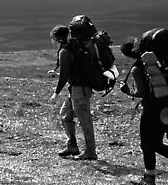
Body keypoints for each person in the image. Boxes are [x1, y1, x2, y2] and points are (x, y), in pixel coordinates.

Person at [119, 37, 168, 185]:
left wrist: (127, 91)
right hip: (164, 108)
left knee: (147, 144)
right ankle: (156, 175)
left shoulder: (137, 68)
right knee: (154, 143)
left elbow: (142, 93)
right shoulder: (156, 63)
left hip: (151, 110)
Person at [49, 16, 117, 161]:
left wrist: (56, 93)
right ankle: (72, 145)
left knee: (84, 120)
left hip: (79, 90)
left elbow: (66, 74)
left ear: (57, 39)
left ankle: (90, 152)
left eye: (52, 39)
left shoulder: (65, 51)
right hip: (77, 89)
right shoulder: (73, 47)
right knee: (65, 115)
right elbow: (74, 69)